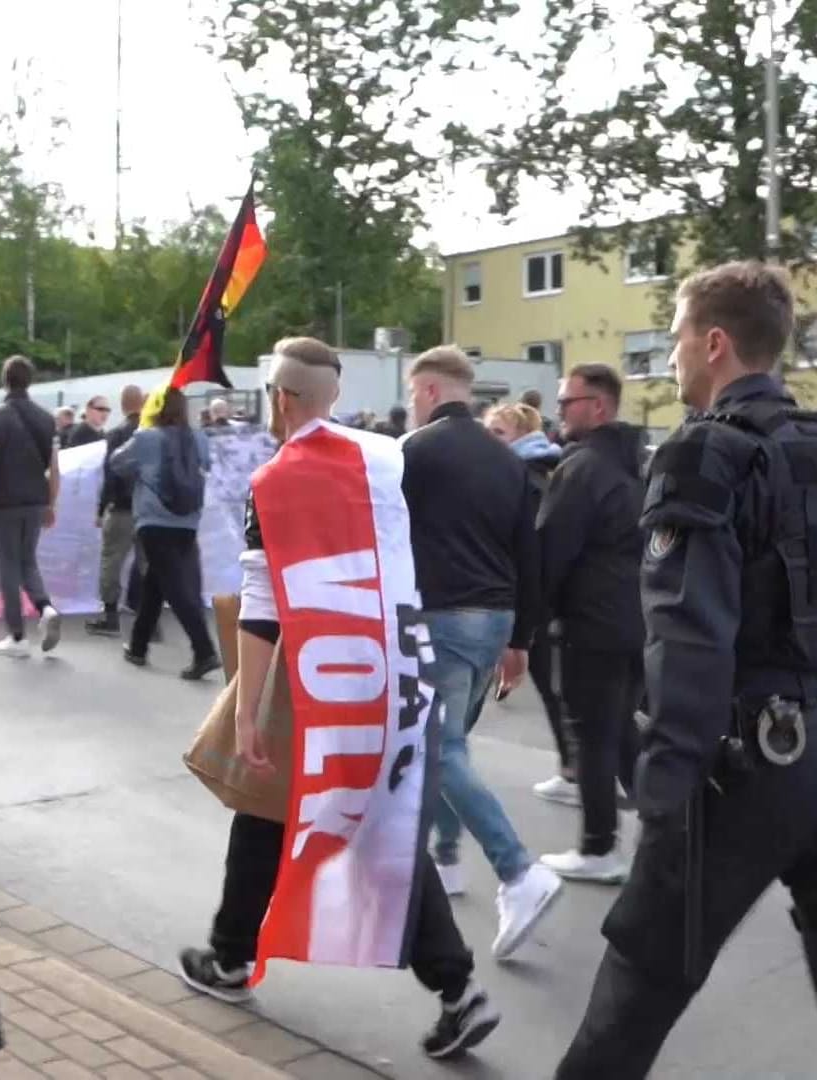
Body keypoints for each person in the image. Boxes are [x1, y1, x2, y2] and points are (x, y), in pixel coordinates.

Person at [556, 262, 817, 1079]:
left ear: (714, 343)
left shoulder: (704, 454)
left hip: (743, 764)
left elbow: (688, 636)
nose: (674, 358)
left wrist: (665, 786)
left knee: (638, 979)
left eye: (678, 338)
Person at [177, 337, 501, 1060]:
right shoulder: (386, 458)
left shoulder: (276, 478)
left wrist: (252, 709)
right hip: (391, 665)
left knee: (301, 812)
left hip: (313, 673)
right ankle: (235, 951)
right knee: (352, 818)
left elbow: (263, 605)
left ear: (282, 399)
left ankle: (449, 984)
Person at [402, 347, 561, 959]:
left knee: (436, 748)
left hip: (442, 614)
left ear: (432, 390)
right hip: (493, 619)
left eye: (416, 392)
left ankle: (518, 871)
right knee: (452, 746)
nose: (413, 403)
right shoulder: (507, 460)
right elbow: (530, 552)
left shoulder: (414, 453)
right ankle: (445, 859)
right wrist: (520, 638)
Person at [535, 364, 646, 885]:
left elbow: (552, 549)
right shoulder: (634, 465)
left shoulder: (581, 469)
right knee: (621, 733)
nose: (559, 412)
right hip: (633, 620)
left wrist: (534, 620)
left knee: (594, 738)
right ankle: (675, 827)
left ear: (597, 407)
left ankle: (599, 847)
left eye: (567, 403)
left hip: (591, 623)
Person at [488, 404, 576, 789]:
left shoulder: (528, 477)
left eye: (499, 433)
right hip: (540, 600)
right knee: (552, 686)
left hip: (538, 601)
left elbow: (532, 549)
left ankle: (576, 771)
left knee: (554, 687)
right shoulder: (533, 472)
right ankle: (576, 768)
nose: (490, 441)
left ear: (521, 436)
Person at [111, 388, 220, 680]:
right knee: (155, 584)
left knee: (173, 586)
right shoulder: (198, 437)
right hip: (188, 520)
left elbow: (117, 462)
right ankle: (138, 646)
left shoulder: (147, 437)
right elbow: (206, 465)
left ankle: (204, 650)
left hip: (154, 520)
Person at [0, 355, 64, 657]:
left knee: (7, 566)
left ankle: (16, 637)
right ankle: (45, 607)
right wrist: (51, 503)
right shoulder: (46, 419)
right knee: (28, 561)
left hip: (4, 503)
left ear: (4, 379)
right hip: (36, 501)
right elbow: (54, 468)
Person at [87, 385, 147, 637]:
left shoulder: (117, 434)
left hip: (121, 507)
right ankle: (146, 615)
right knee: (145, 563)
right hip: (146, 509)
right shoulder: (151, 434)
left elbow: (110, 474)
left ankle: (110, 615)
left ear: (123, 405)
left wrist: (102, 508)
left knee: (111, 560)